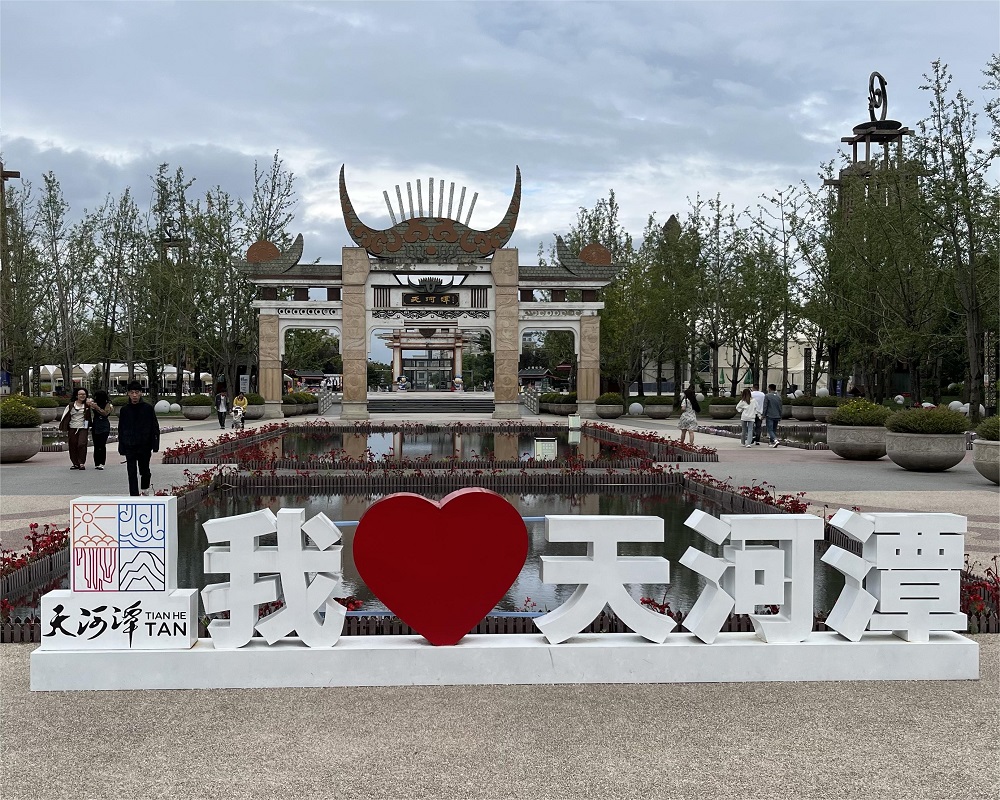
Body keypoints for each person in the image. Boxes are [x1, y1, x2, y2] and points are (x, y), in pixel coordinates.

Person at [117, 380, 160, 496]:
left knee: (144, 470)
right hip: (129, 444)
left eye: (137, 392)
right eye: (132, 392)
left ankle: (145, 488)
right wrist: (121, 445)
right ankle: (134, 495)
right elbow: (121, 428)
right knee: (131, 471)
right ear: (128, 394)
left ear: (141, 393)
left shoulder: (148, 408)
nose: (134, 395)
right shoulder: (124, 410)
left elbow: (155, 426)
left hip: (144, 445)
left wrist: (155, 444)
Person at [59, 387, 94, 470]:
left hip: (83, 428)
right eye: (80, 394)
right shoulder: (71, 405)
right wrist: (63, 426)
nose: (82, 396)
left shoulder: (88, 405)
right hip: (72, 428)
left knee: (82, 444)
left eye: (84, 394)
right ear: (76, 395)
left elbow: (95, 408)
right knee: (72, 445)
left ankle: (81, 463)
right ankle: (75, 463)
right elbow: (64, 416)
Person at [90, 389, 113, 470]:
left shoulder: (107, 405)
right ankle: (96, 462)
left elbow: (105, 413)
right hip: (96, 425)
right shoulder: (93, 403)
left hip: (104, 425)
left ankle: (101, 462)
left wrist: (97, 408)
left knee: (102, 445)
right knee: (96, 445)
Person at [763, 383, 783, 448]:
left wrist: (763, 414)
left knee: (770, 429)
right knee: (774, 429)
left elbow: (765, 406)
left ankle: (775, 440)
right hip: (777, 415)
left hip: (770, 415)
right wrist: (780, 415)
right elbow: (780, 407)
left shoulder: (767, 396)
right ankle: (771, 442)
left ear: (769, 388)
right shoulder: (778, 396)